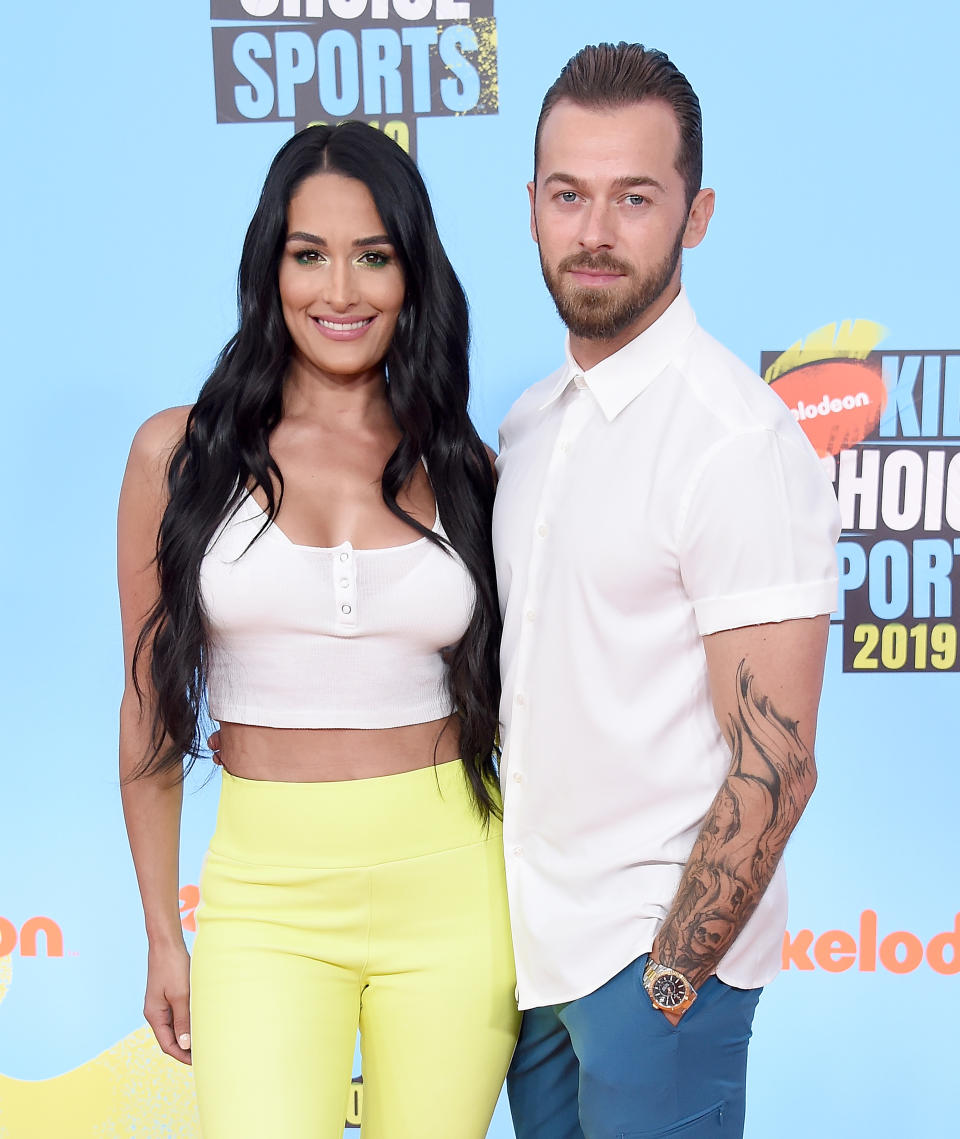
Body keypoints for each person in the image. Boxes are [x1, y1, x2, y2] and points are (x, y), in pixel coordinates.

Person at [117, 122, 519, 1139]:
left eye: (373, 257)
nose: (341, 290)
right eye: (311, 255)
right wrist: (165, 934)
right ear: (271, 267)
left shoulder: (467, 465)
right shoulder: (179, 452)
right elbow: (147, 716)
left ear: (412, 273)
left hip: (456, 890)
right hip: (264, 892)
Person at [492, 43, 841, 1139]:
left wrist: (673, 980)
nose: (595, 231)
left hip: (653, 969)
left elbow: (777, 762)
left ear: (696, 214)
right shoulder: (529, 425)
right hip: (529, 959)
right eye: (569, 194)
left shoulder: (733, 442)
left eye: (634, 197)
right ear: (534, 207)